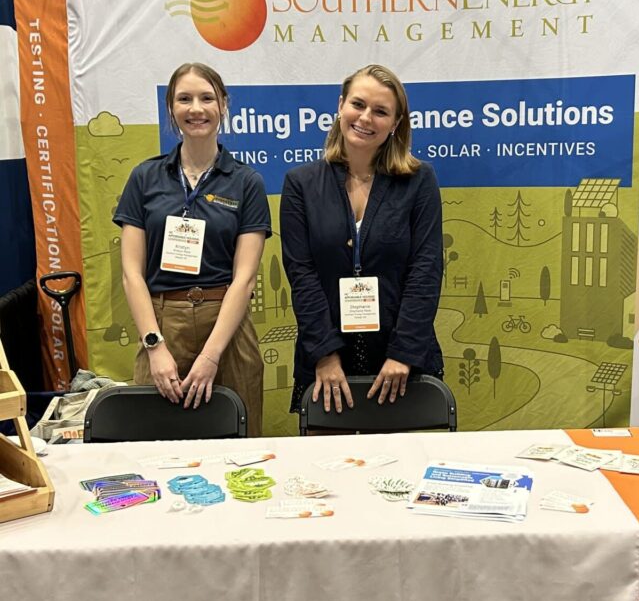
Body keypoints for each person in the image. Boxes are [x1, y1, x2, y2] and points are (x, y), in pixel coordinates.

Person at [115, 62, 271, 435]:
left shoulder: (247, 182)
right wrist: (155, 346)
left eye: (206, 98)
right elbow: (131, 274)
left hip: (227, 328)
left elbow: (245, 279)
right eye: (184, 99)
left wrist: (210, 356)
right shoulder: (145, 178)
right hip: (162, 322)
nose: (196, 109)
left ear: (223, 105)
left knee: (239, 445)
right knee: (154, 443)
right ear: (171, 109)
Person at [280, 63, 443, 414]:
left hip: (402, 365)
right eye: (358, 104)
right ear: (340, 106)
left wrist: (402, 354)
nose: (366, 118)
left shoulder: (419, 181)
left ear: (396, 124)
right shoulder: (301, 184)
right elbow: (301, 275)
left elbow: (426, 271)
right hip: (326, 366)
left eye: (381, 111)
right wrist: (324, 354)